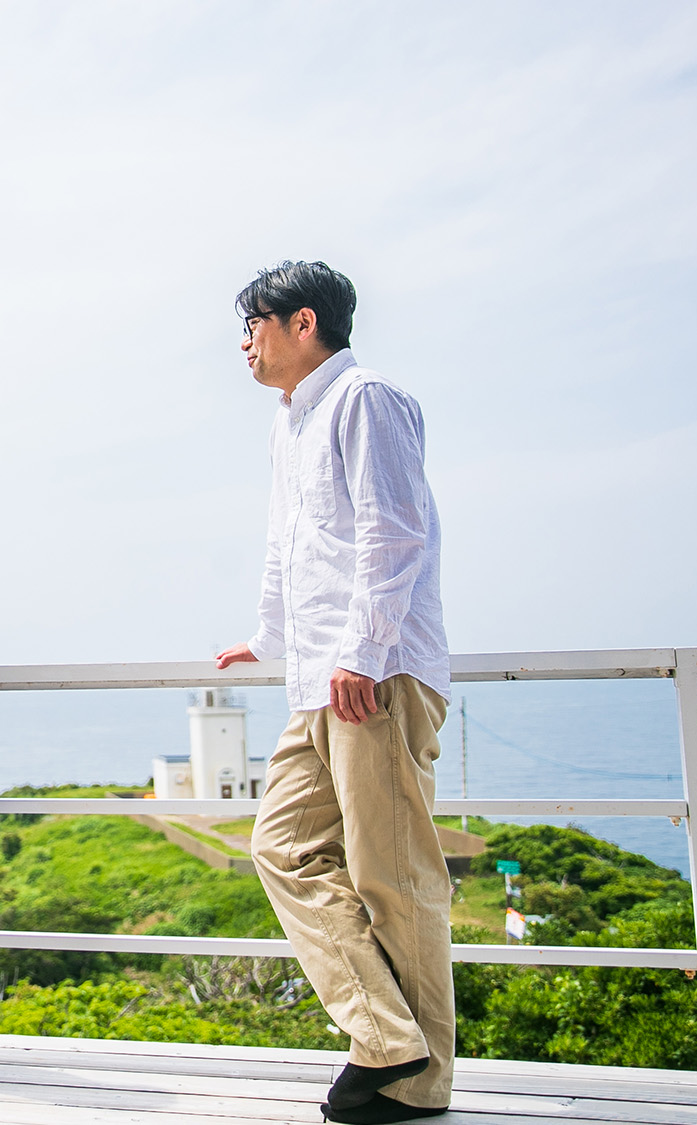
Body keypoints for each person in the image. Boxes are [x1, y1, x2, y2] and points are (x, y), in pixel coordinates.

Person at [214, 262, 455, 1125]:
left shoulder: (367, 399)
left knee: (393, 877)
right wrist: (269, 638)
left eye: (254, 324)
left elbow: (395, 531)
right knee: (279, 846)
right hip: (318, 678)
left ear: (302, 321)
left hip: (374, 674)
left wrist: (361, 649)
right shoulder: (292, 422)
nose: (244, 342)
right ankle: (388, 1037)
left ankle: (415, 1084)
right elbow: (293, 543)